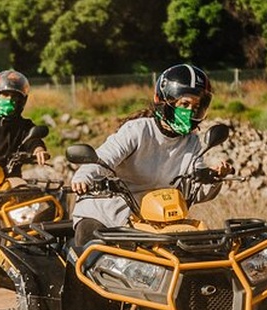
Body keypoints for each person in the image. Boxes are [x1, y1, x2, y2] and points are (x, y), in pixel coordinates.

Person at [70, 63, 232, 245]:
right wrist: (84, 177)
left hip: (153, 223)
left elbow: (195, 189)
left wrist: (215, 177)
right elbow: (104, 158)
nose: (189, 112)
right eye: (184, 104)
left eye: (195, 106)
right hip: (105, 215)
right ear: (164, 101)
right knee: (90, 254)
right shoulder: (137, 131)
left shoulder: (192, 143)